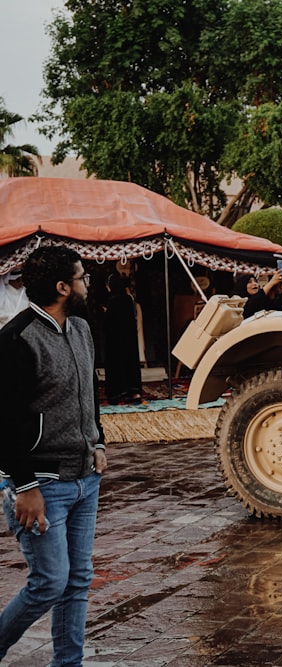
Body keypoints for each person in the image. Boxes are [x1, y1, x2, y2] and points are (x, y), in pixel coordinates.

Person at [0, 245, 107, 664]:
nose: (87, 283)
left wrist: (97, 441)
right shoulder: (16, 340)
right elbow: (4, 423)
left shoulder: (80, 328)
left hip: (85, 479)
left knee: (77, 581)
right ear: (63, 287)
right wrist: (24, 486)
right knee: (49, 582)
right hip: (41, 484)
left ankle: (69, 663)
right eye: (82, 277)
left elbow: (89, 394)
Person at [103, 273, 142, 404]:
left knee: (116, 364)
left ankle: (117, 394)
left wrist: (105, 312)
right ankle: (134, 392)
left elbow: (110, 323)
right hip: (129, 339)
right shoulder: (129, 299)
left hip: (115, 341)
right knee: (131, 363)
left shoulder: (112, 301)